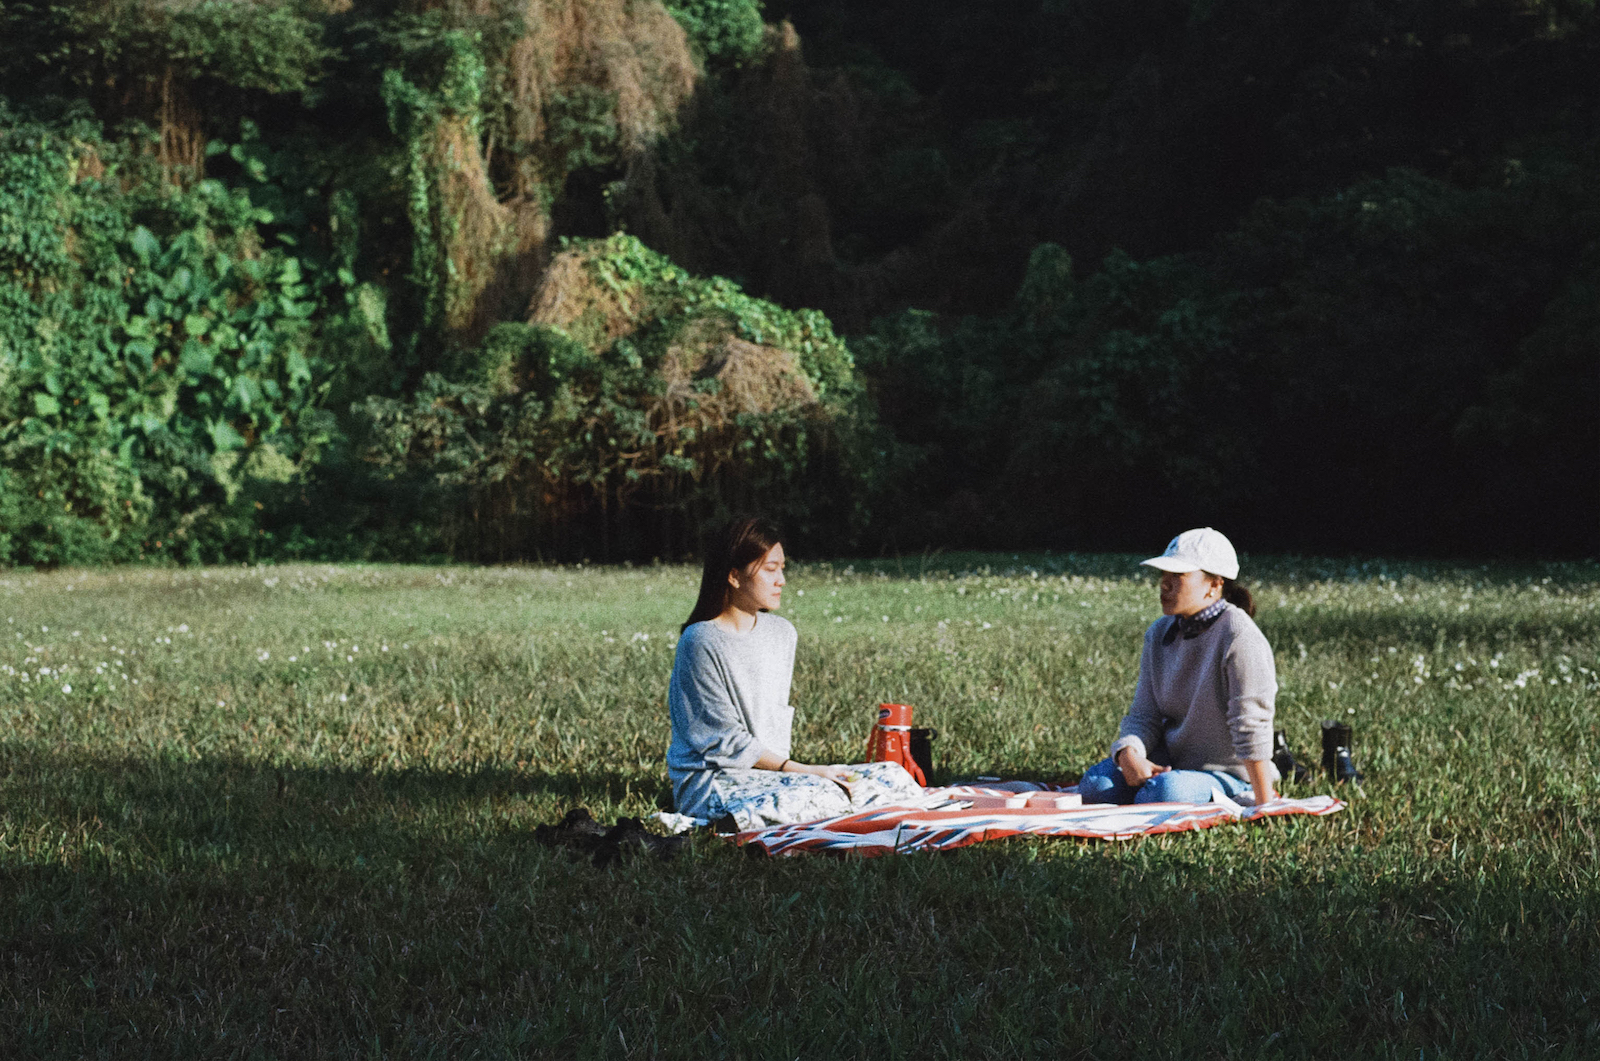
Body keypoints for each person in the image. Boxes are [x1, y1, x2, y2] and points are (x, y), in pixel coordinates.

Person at [666, 516, 922, 830]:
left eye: (782, 569)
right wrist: (800, 770)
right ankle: (726, 825)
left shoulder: (782, 633)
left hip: (775, 776)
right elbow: (721, 741)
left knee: (893, 777)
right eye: (770, 569)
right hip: (716, 783)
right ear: (734, 576)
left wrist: (802, 772)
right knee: (822, 795)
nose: (781, 581)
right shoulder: (701, 640)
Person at [1078, 527, 1280, 807]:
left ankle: (1200, 790)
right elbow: (1144, 714)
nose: (1164, 584)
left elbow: (1251, 723)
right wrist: (1129, 753)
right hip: (1172, 763)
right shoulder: (1159, 632)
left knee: (1162, 794)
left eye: (1178, 576)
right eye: (1163, 575)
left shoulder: (1238, 634)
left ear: (1214, 584)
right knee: (1095, 787)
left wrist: (1263, 803)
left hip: (1228, 773)